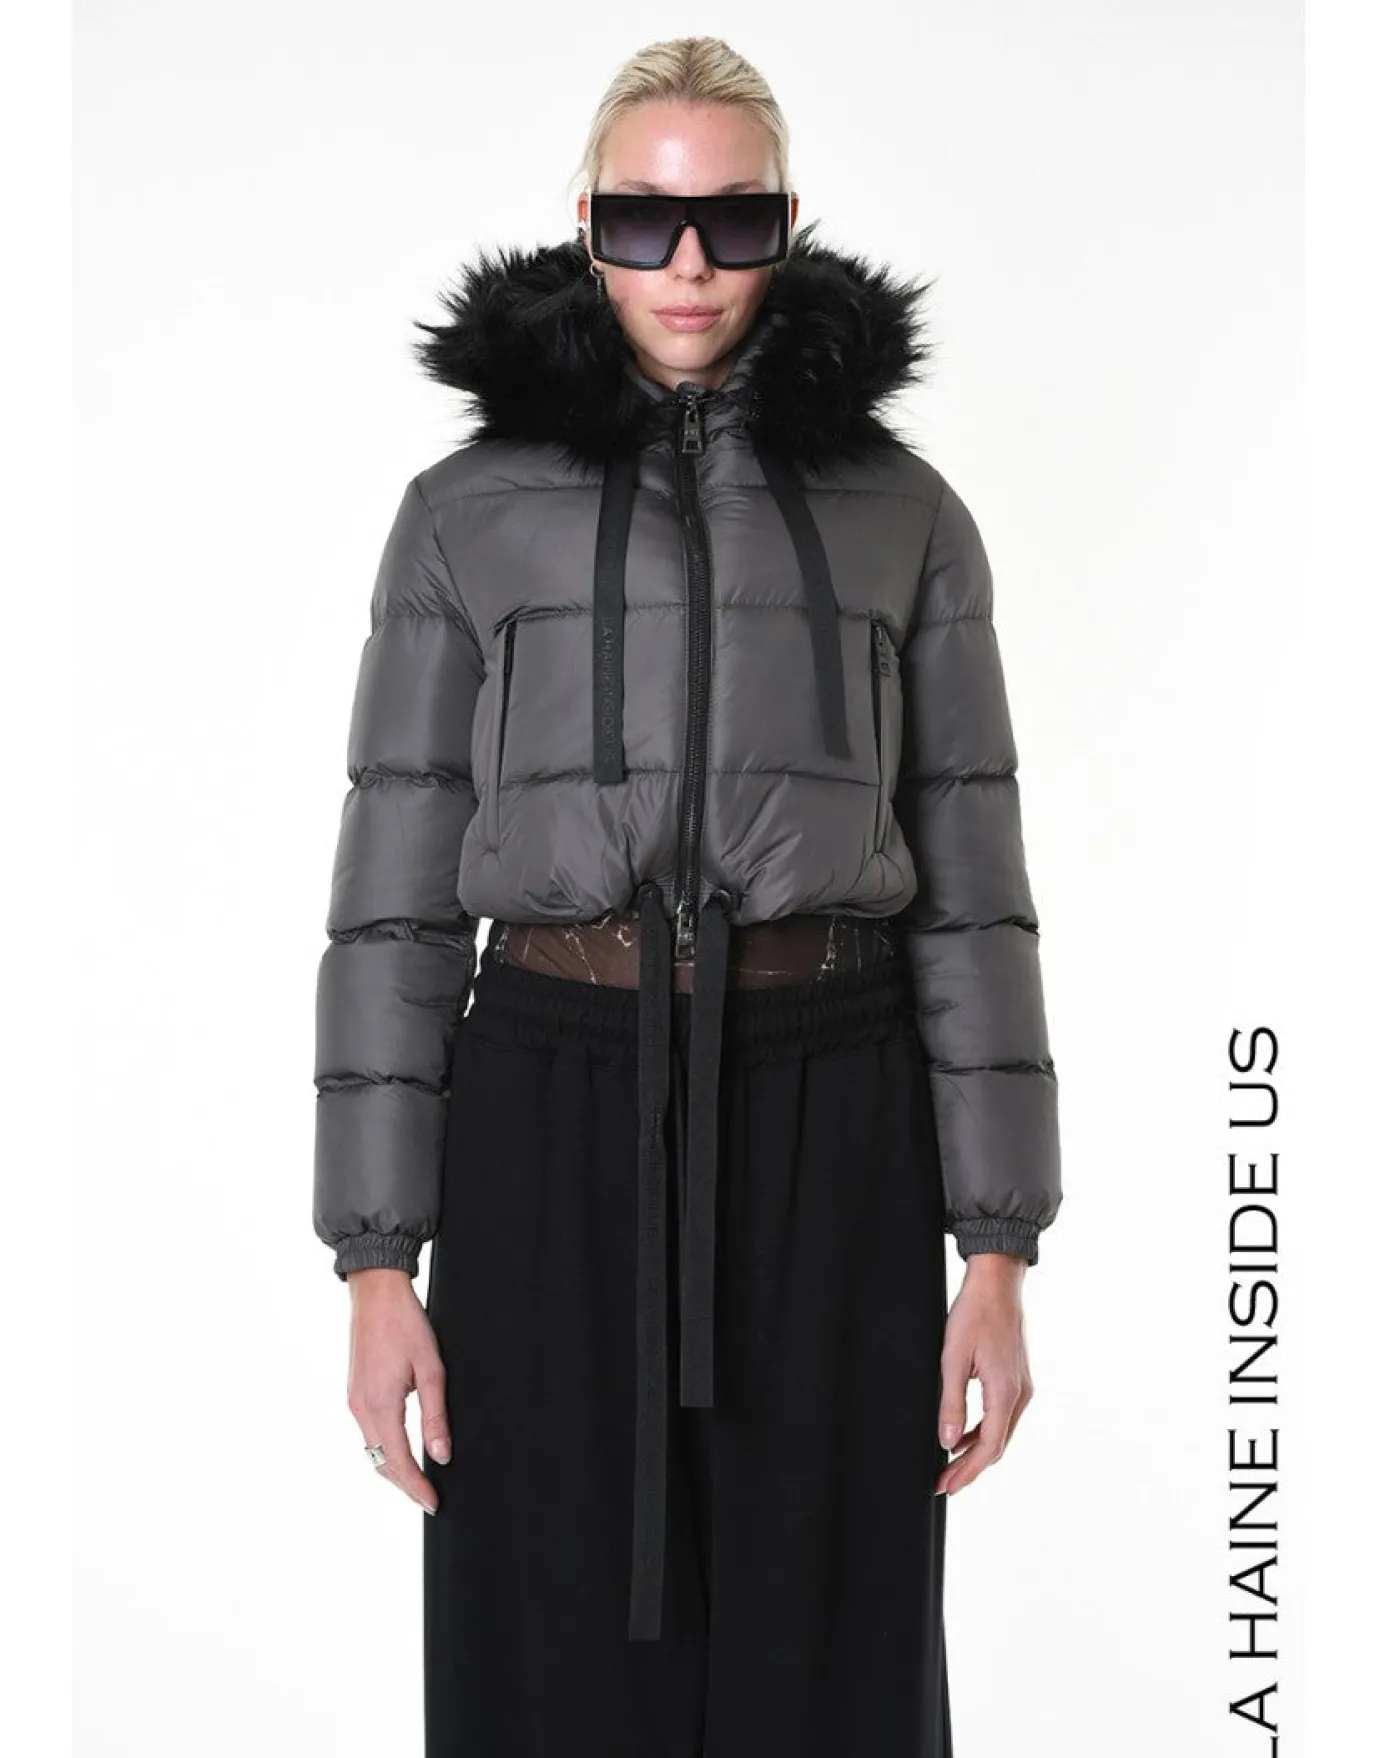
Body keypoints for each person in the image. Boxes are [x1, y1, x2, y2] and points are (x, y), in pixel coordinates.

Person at [312, 34, 1061, 1758]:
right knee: (545, 1651)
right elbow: (394, 902)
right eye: (648, 222)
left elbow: (974, 889)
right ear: (588, 228)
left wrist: (999, 1248)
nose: (693, 263)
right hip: (548, 1099)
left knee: (835, 1654)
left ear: (787, 227)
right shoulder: (462, 516)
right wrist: (375, 1262)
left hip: (834, 1104)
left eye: (735, 218)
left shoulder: (905, 516)